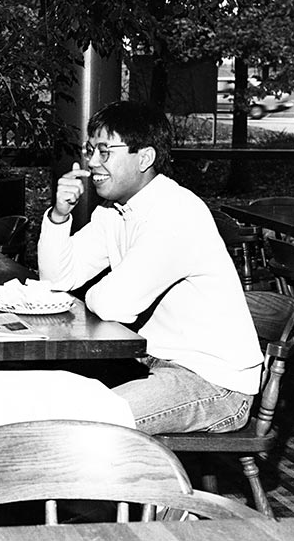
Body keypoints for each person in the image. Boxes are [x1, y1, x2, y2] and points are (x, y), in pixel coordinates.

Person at [37, 100, 263, 435]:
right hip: (150, 361)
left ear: (144, 157)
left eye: (104, 151)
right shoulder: (114, 212)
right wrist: (59, 216)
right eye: (90, 150)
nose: (92, 162)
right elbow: (56, 280)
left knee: (86, 425)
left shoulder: (176, 212)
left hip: (213, 383)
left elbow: (115, 305)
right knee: (44, 396)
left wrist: (97, 291)